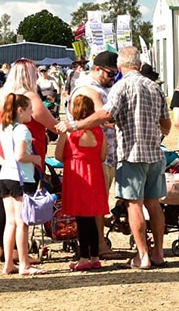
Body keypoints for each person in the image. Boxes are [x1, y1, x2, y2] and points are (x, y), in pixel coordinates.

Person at [71, 46, 171, 270]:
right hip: (155, 153)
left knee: (133, 205)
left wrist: (77, 125)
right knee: (154, 205)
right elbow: (166, 125)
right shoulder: (154, 87)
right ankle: (159, 253)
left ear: (120, 66)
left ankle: (142, 255)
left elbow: (107, 114)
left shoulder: (121, 86)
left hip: (130, 153)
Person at [0, 59, 59, 262]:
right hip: (24, 155)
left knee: (1, 203)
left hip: (0, 153)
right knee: (23, 206)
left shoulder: (2, 95)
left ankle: (3, 246)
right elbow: (53, 125)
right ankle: (21, 252)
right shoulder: (30, 98)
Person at [66, 50, 123, 259]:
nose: (113, 78)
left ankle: (98, 244)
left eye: (116, 74)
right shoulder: (89, 89)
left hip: (104, 151)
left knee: (100, 202)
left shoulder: (100, 86)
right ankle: (99, 245)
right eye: (110, 73)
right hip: (94, 154)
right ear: (97, 69)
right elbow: (103, 117)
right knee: (96, 203)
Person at [0, 93, 46, 276]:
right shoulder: (23, 130)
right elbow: (20, 156)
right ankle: (25, 264)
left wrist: (2, 161)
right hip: (21, 178)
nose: (32, 113)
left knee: (10, 223)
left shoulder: (4, 127)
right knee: (22, 222)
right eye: (29, 110)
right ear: (21, 110)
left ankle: (9, 263)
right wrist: (36, 158)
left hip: (5, 176)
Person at [55, 95, 108, 271]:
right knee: (92, 218)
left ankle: (84, 256)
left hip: (76, 175)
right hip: (94, 175)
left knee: (81, 218)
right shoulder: (100, 131)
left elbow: (57, 155)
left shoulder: (69, 132)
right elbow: (102, 156)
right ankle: (95, 256)